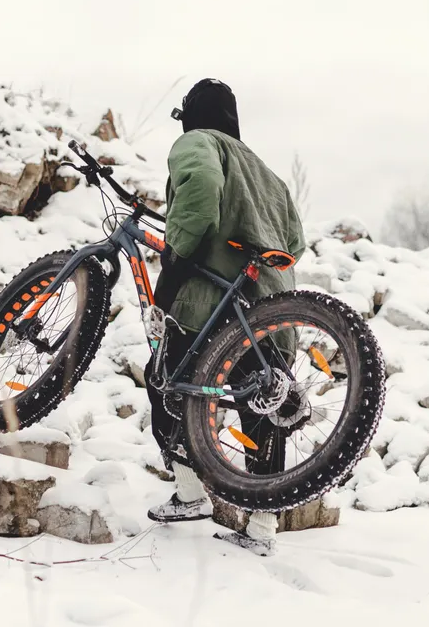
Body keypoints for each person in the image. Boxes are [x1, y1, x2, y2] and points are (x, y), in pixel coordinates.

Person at [143, 78, 306, 557]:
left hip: (208, 303)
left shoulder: (197, 142)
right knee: (262, 408)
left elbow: (202, 192)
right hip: (274, 310)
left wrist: (177, 257)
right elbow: (294, 243)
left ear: (191, 115)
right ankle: (260, 529)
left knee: (167, 384)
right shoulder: (270, 175)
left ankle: (191, 495)